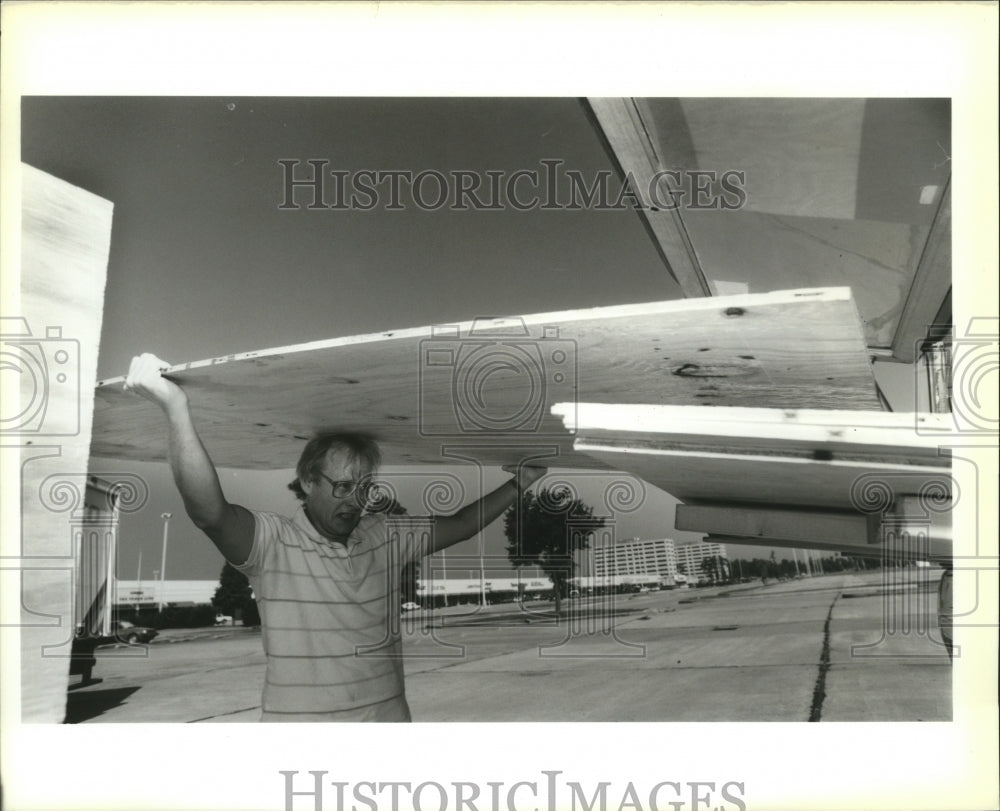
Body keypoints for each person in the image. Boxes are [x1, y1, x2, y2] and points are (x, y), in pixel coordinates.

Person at [124, 352, 546, 721]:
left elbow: (460, 523)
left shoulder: (387, 535)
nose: (354, 501)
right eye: (342, 487)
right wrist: (176, 409)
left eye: (364, 489)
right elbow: (209, 512)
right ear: (308, 481)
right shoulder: (274, 544)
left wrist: (518, 485)